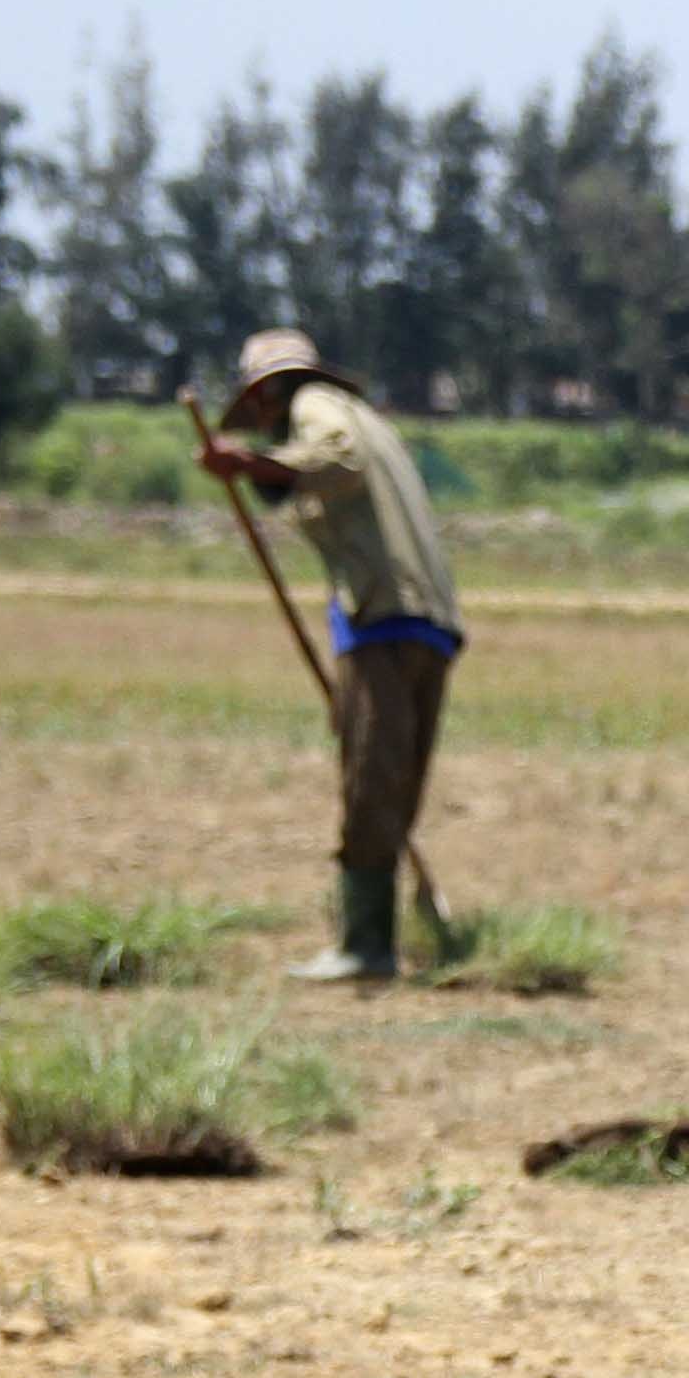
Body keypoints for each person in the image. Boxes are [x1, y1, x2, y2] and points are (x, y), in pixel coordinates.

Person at [195, 330, 464, 982]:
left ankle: (365, 945)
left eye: (259, 413)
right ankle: (380, 931)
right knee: (393, 782)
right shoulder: (369, 420)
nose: (262, 426)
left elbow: (333, 463)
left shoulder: (316, 408)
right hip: (428, 621)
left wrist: (254, 465)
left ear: (269, 396)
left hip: (383, 620)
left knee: (370, 780)